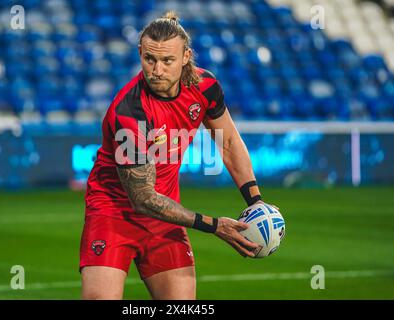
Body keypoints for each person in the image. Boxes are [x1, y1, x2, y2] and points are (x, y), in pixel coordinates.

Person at [80, 11, 277, 300]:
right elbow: (143, 199)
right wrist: (213, 225)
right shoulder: (130, 112)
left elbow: (229, 143)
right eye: (149, 59)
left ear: (186, 56)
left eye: (167, 60)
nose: (157, 69)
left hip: (165, 217)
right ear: (140, 53)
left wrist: (256, 202)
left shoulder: (204, 87)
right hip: (113, 214)